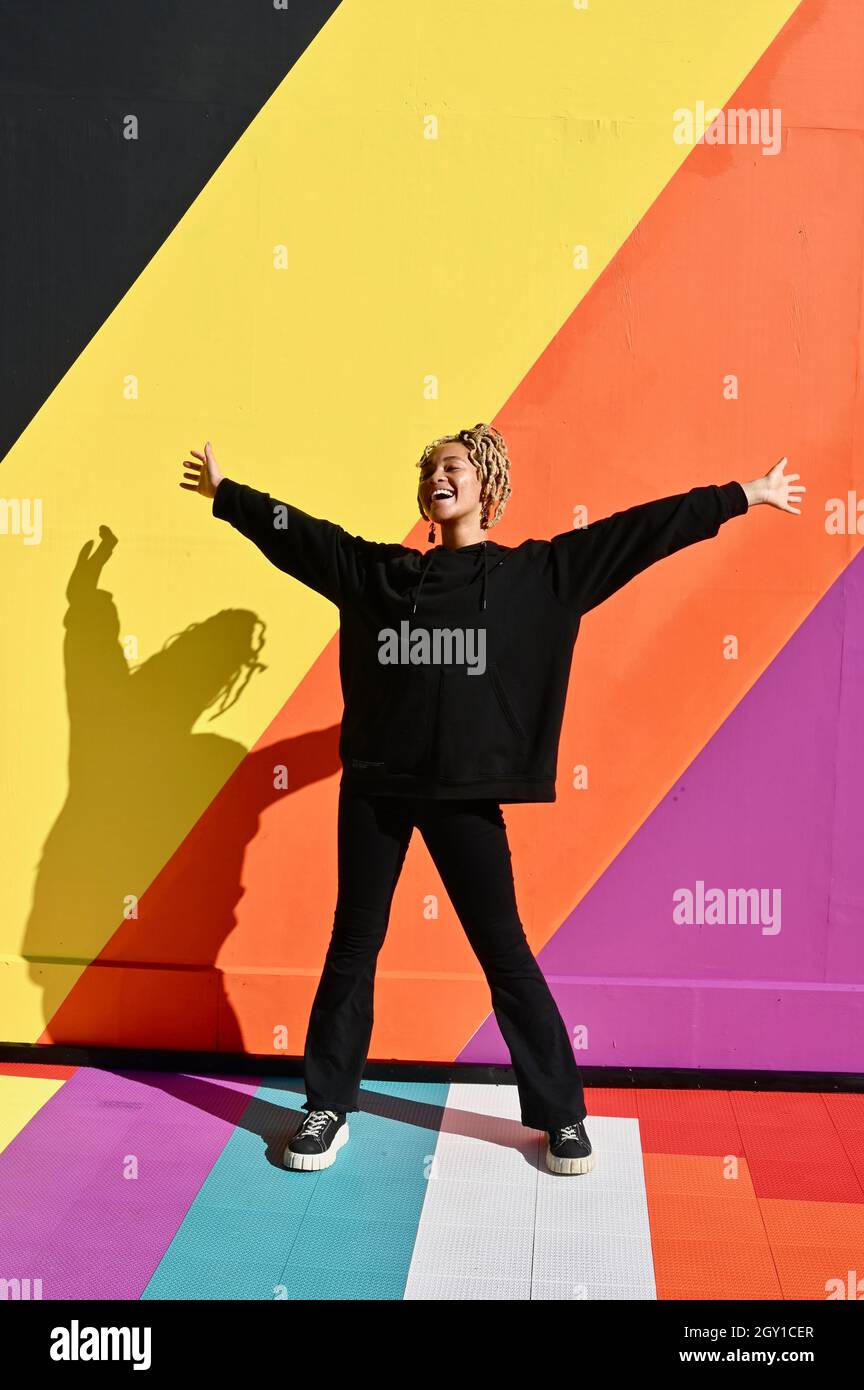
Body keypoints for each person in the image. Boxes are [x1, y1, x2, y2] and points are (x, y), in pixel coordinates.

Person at [181, 427, 804, 1176]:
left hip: (465, 795)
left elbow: (638, 534)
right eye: (430, 468)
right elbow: (304, 540)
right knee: (353, 947)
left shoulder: (537, 574)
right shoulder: (380, 574)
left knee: (503, 952)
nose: (438, 475)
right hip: (378, 786)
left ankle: (562, 1116)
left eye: (453, 465)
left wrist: (741, 495)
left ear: (487, 488)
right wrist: (229, 497)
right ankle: (327, 1106)